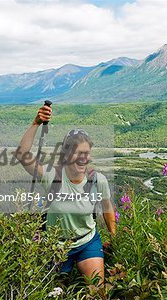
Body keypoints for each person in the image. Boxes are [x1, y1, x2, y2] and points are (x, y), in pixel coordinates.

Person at [16, 104, 116, 288]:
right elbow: (23, 155)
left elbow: (107, 208)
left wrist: (114, 236)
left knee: (97, 292)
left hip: (87, 241)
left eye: (86, 153)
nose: (82, 158)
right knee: (54, 292)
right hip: (55, 246)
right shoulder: (52, 177)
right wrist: (36, 122)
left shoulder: (96, 180)